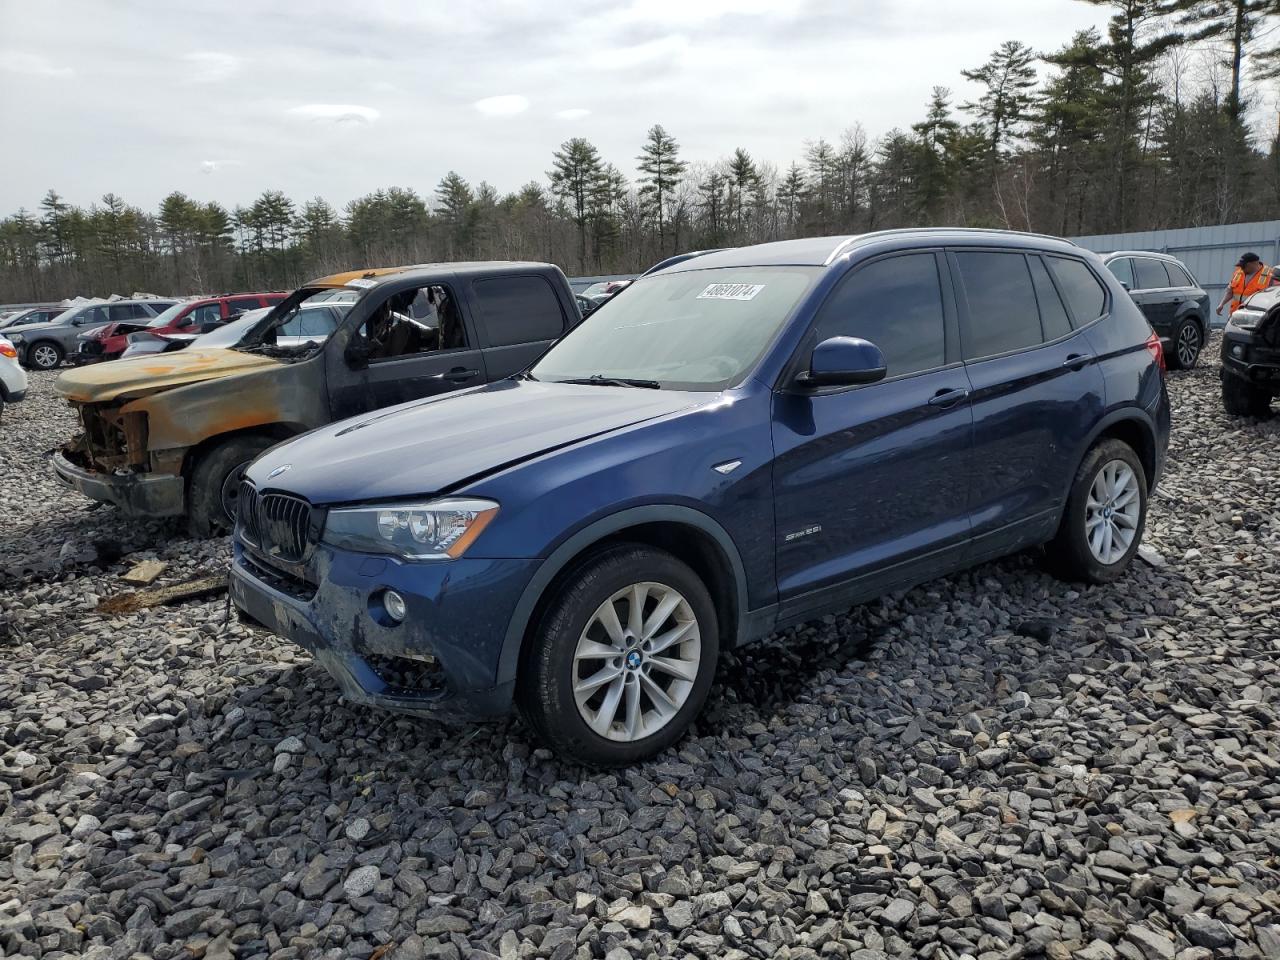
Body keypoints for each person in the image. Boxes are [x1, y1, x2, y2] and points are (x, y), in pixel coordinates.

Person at [1217, 252, 1278, 317]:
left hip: (1253, 318)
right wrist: (1221, 304)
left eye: (1244, 266)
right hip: (1234, 315)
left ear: (1253, 264)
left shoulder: (1270, 275)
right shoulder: (1239, 272)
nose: (1242, 268)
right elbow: (1230, 291)